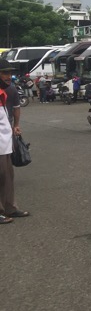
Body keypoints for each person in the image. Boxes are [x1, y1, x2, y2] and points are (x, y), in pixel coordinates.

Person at [0, 59, 27, 224]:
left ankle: (10, 208)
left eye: (10, 73)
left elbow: (10, 114)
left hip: (5, 142)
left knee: (7, 176)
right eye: (4, 73)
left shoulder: (6, 92)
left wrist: (14, 127)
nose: (8, 76)